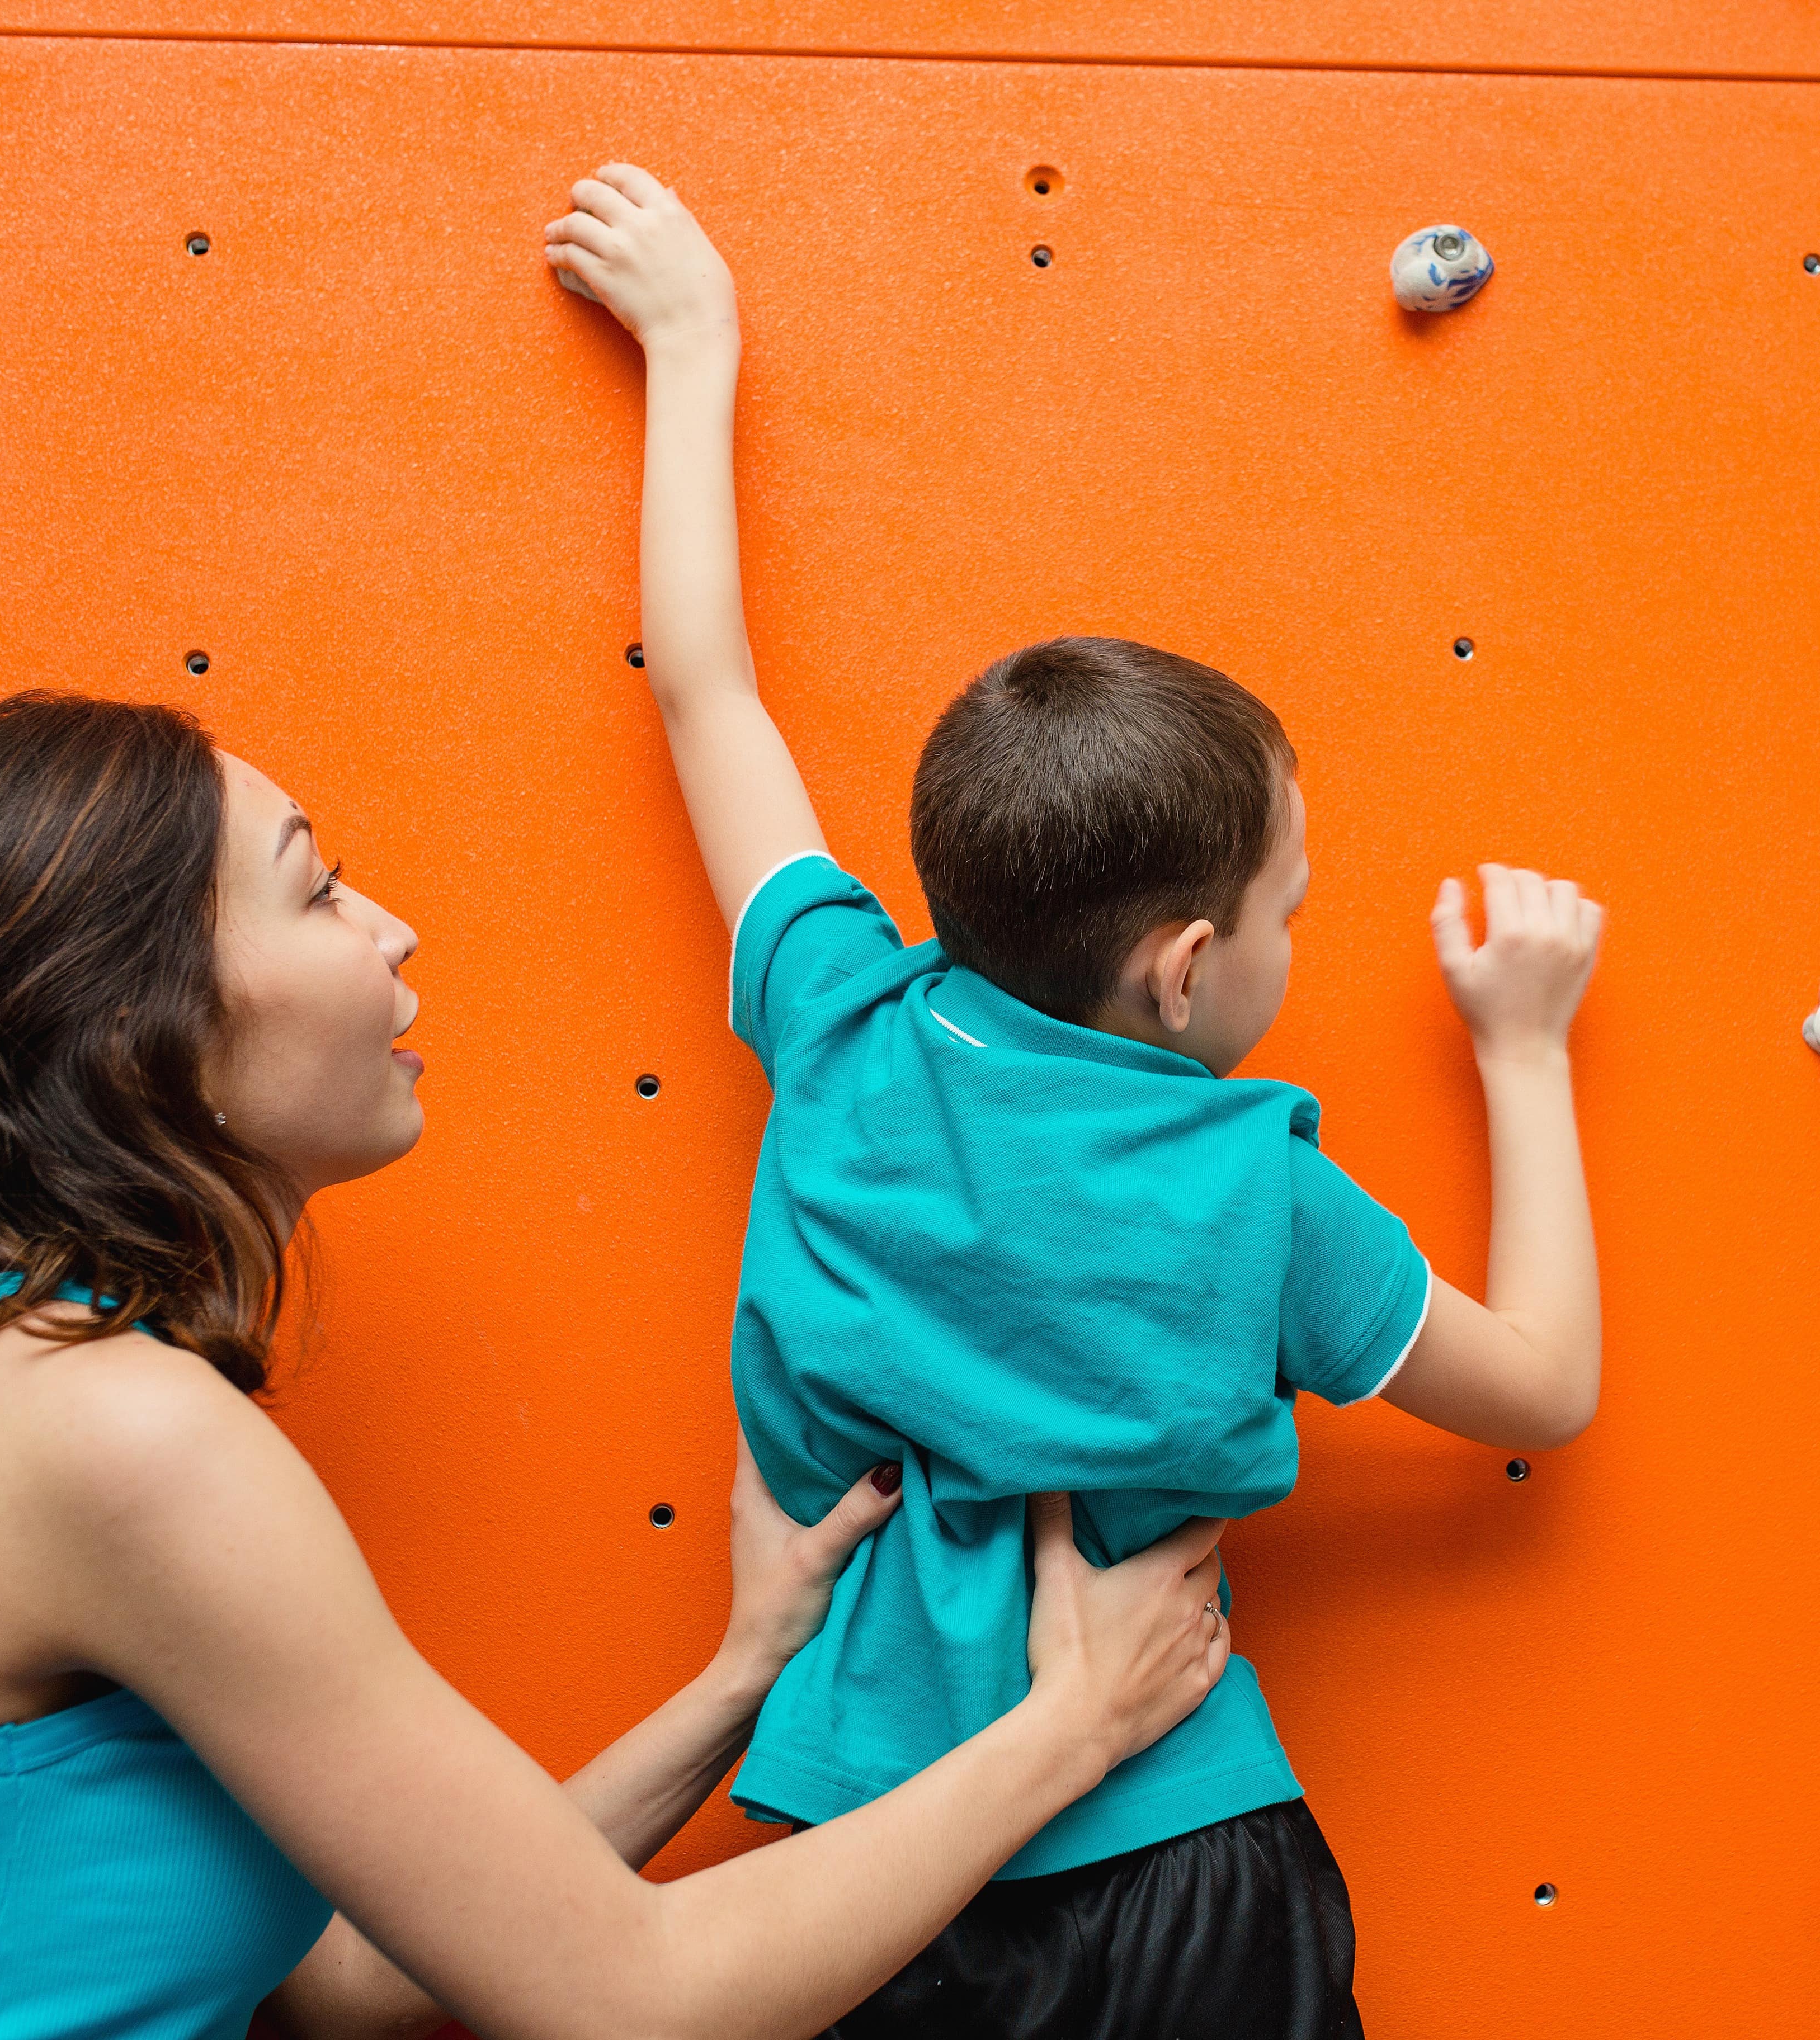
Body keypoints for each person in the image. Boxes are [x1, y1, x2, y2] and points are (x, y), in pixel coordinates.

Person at [545, 164, 1605, 2037]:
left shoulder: (843, 1017)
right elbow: (1546, 1388)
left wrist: (691, 348)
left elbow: (708, 693)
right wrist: (1523, 1054)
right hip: (1184, 1857)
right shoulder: (1258, 1189)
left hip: (847, 1867)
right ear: (1187, 971)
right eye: (1291, 907)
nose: (1297, 938)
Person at [0, 693, 1233, 2039]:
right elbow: (634, 2004)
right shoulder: (105, 1431)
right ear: (133, 1028)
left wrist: (744, 1674)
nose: (392, 929)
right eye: (318, 886)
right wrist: (1077, 1723)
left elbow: (346, 1980)